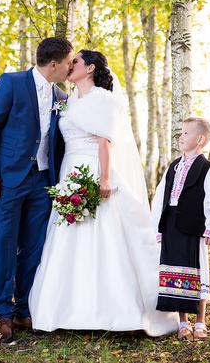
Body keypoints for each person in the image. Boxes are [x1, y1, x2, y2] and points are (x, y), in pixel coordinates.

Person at [28, 50, 178, 336]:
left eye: (76, 61)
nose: (70, 65)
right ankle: (66, 310)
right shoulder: (69, 100)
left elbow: (105, 142)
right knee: (69, 235)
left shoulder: (104, 99)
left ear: (90, 68)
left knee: (104, 234)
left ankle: (114, 311)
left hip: (94, 169)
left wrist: (105, 178)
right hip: (69, 171)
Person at [0, 37, 73, 344]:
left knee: (35, 247)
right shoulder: (12, 82)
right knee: (6, 244)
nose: (70, 67)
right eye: (68, 62)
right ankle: (3, 313)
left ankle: (24, 308)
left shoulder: (61, 95)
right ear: (54, 64)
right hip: (8, 179)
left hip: (43, 181)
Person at [151, 117, 210, 340]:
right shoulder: (173, 167)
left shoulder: (207, 169)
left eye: (185, 133)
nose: (180, 137)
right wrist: (158, 226)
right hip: (171, 226)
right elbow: (160, 197)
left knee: (197, 270)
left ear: (200, 139)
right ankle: (183, 322)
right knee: (175, 271)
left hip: (194, 226)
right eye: (181, 132)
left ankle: (200, 321)